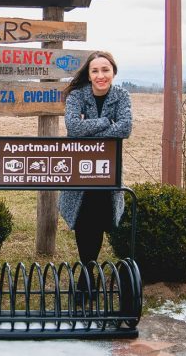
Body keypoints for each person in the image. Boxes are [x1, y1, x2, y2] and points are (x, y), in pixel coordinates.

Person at [58, 50, 132, 279]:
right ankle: (87, 274)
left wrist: (88, 128)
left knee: (99, 220)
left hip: (106, 170)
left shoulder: (122, 96)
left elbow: (125, 128)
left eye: (105, 70)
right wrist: (106, 122)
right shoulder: (77, 97)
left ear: (113, 72)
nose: (101, 75)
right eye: (95, 70)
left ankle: (87, 275)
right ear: (89, 75)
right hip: (80, 170)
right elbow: (73, 128)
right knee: (83, 221)